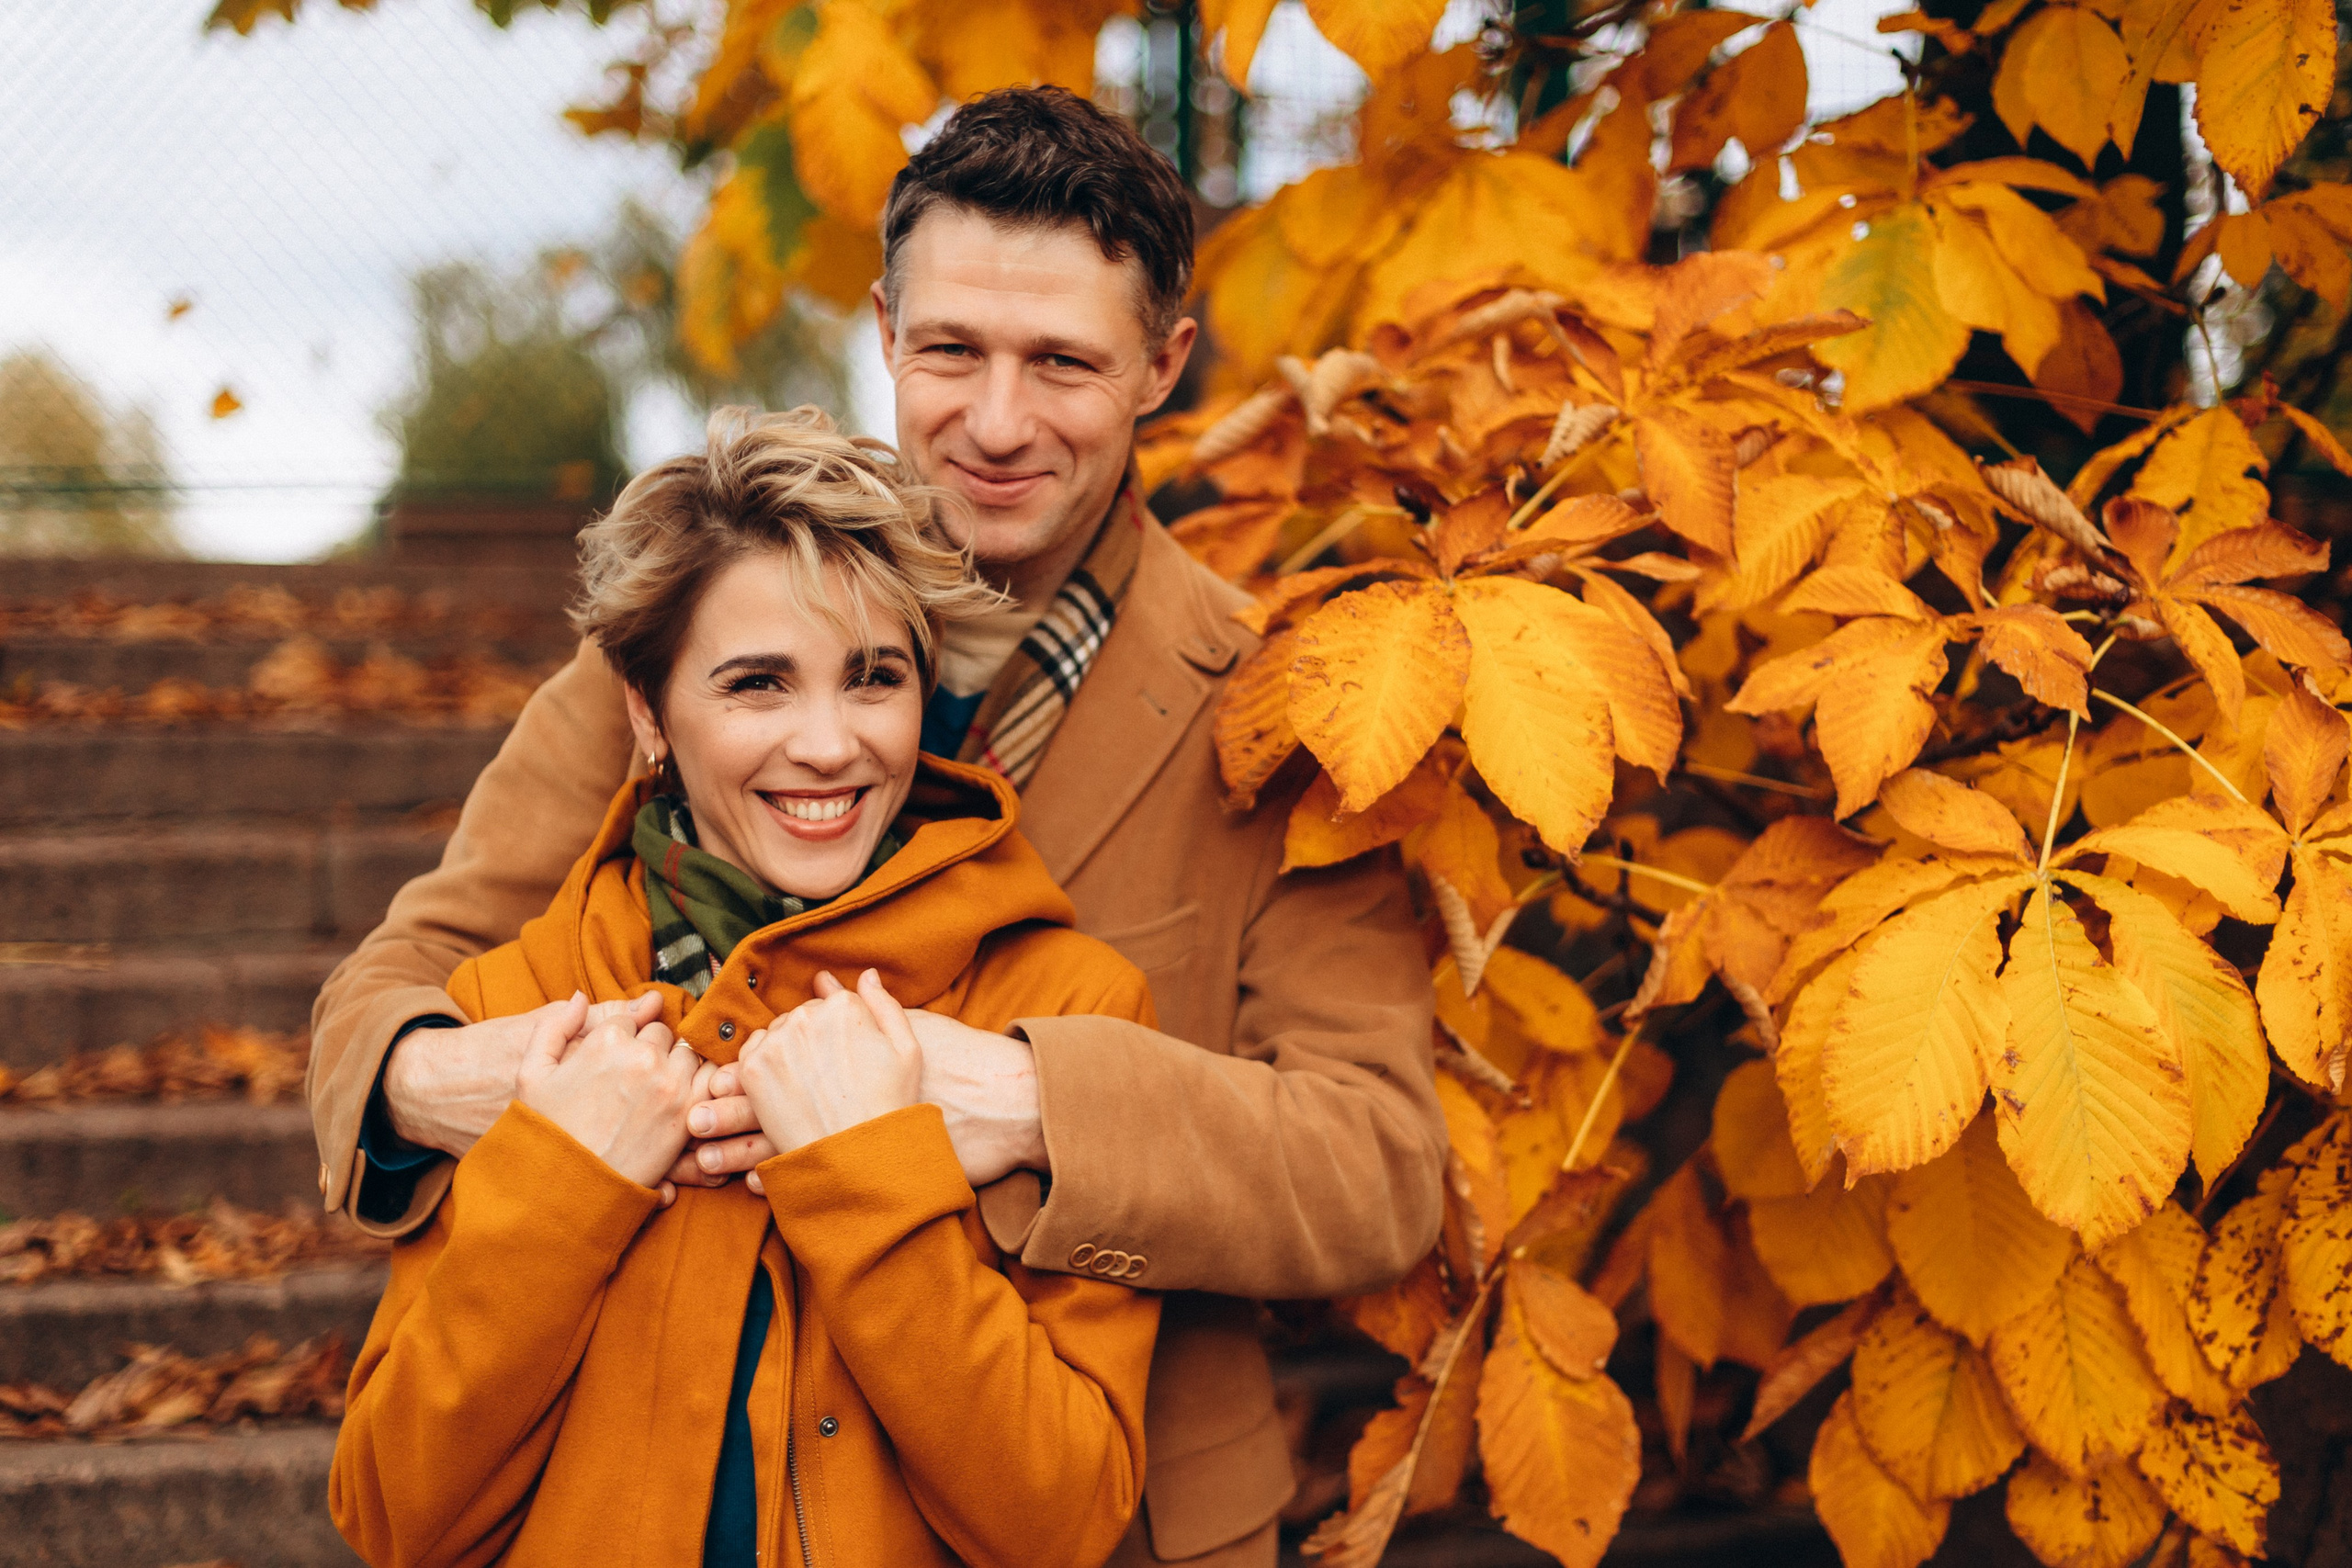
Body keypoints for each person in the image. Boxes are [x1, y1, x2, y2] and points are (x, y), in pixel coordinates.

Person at [309, 85, 1444, 1567]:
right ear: (884, 328)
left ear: (1166, 361)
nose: (994, 421)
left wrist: (1024, 1101)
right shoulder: (685, 647)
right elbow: (395, 991)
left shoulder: (1285, 710)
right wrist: (477, 1083)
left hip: (1107, 1505)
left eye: (1063, 363)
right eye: (950, 350)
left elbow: (1375, 1169)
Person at [331, 410, 1160, 1568]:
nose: (828, 745)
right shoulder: (526, 1003)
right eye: (758, 685)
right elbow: (392, 1514)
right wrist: (563, 1192)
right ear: (645, 709)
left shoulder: (1069, 1009)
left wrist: (876, 1182)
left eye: (874, 678)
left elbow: (1061, 1522)